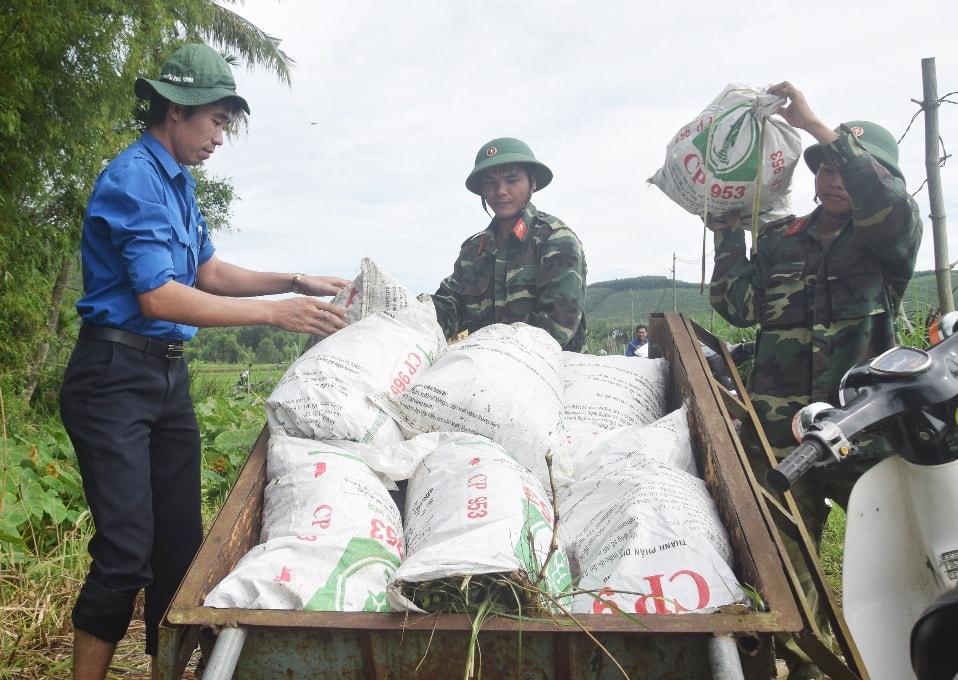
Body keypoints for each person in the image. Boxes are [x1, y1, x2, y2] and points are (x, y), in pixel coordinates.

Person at [59, 43, 351, 680]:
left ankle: (168, 670)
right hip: (112, 379)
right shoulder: (134, 178)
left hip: (165, 377)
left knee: (179, 553)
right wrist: (276, 314)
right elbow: (159, 292)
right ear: (175, 109)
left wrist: (295, 282)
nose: (220, 135)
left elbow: (209, 271)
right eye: (216, 120)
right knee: (125, 550)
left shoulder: (177, 183)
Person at [707, 82, 922, 679]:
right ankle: (806, 668)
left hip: (868, 434)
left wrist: (818, 125)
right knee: (784, 570)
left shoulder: (889, 240)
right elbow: (739, 306)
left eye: (844, 166)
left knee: (891, 565)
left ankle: (902, 660)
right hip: (784, 437)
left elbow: (890, 205)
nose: (831, 176)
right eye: (822, 166)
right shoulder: (782, 238)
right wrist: (728, 234)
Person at [429, 137, 587, 351]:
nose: (501, 190)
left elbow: (556, 328)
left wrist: (493, 352)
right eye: (490, 182)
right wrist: (417, 315)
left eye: (512, 180)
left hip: (547, 372)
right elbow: (448, 307)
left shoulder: (556, 240)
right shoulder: (473, 251)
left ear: (533, 182)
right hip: (481, 369)